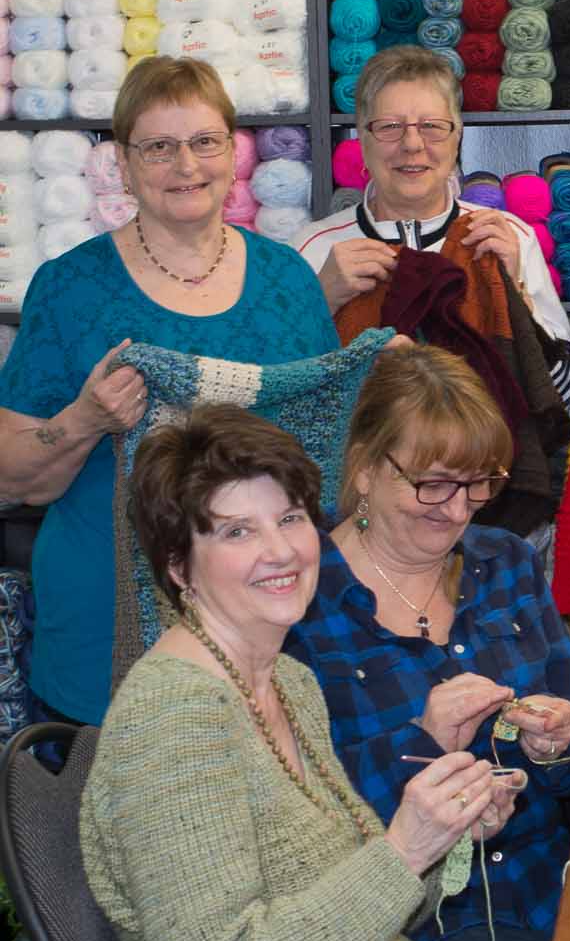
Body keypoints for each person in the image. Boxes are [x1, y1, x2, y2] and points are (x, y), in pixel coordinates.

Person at [80, 406, 570, 941]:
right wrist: (405, 849)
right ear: (178, 564)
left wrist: (447, 838)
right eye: (236, 531)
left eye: (290, 518)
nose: (280, 550)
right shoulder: (172, 719)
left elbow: (347, 897)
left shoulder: (288, 682)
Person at [0, 56, 338, 725]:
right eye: (158, 146)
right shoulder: (69, 287)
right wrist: (83, 419)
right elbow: (14, 478)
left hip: (266, 619)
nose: (186, 164)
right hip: (106, 625)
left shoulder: (289, 280)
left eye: (205, 141)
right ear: (123, 165)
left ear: (233, 153)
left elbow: (325, 454)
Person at [283, 345, 570, 941]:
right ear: (366, 467)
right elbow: (306, 817)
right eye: (433, 484)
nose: (458, 510)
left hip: (551, 895)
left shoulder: (505, 561)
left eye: (478, 483)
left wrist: (559, 741)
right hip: (415, 936)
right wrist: (423, 742)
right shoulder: (299, 603)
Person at [293, 45, 570, 397]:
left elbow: (561, 397)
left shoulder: (510, 238)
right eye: (390, 126)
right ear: (362, 139)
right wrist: (320, 302)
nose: (412, 143)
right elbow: (282, 397)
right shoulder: (310, 249)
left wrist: (516, 296)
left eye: (431, 126)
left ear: (457, 136)